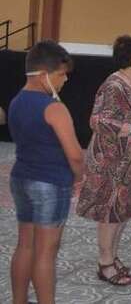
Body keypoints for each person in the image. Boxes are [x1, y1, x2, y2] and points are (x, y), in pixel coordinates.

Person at [76, 36, 131, 286]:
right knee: (109, 213)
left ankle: (113, 258)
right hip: (110, 161)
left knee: (121, 213)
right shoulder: (114, 85)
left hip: (130, 161)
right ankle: (105, 263)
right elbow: (97, 120)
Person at [8, 41, 82, 304]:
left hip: (21, 178)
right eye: (61, 74)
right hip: (50, 183)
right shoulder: (55, 108)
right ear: (43, 75)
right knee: (46, 253)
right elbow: (74, 153)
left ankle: (18, 300)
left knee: (25, 245)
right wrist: (80, 177)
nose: (64, 80)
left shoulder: (16, 101)